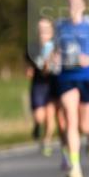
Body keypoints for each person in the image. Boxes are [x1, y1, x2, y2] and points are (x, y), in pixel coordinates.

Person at [53, 0, 89, 177]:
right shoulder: (60, 26)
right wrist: (52, 58)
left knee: (84, 124)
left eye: (77, 2)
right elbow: (53, 49)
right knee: (70, 121)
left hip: (88, 75)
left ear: (84, 5)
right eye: (70, 3)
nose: (73, 7)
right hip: (67, 76)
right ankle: (75, 168)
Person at [26, 17, 60, 158]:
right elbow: (28, 66)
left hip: (52, 83)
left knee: (49, 115)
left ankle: (47, 141)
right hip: (38, 84)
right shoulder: (33, 47)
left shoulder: (56, 47)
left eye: (45, 29)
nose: (42, 33)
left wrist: (51, 60)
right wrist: (29, 70)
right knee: (39, 116)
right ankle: (36, 126)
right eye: (40, 30)